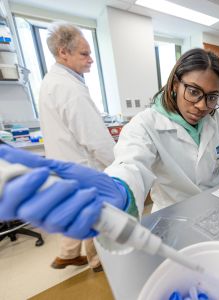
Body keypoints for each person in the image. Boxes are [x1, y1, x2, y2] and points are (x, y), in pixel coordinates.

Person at [0, 48, 219, 241]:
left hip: (217, 208)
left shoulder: (215, 117)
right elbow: (131, 163)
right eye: (194, 91)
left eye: (211, 97)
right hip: (176, 217)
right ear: (175, 84)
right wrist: (122, 188)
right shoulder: (145, 124)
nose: (201, 105)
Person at [39, 22, 116, 272]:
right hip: (81, 165)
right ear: (64, 53)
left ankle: (68, 253)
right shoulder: (70, 89)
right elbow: (95, 138)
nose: (91, 59)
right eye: (84, 54)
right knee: (95, 210)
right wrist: (120, 164)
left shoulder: (52, 81)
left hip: (63, 163)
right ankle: (98, 260)